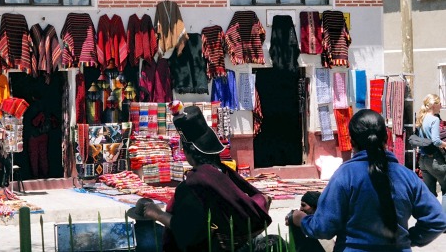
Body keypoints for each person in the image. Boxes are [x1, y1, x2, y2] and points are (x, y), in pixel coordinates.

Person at [290, 109, 446, 251]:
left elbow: (323, 228)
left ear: (352, 142)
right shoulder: (407, 176)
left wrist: (301, 219)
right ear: (387, 138)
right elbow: (437, 220)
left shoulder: (345, 175)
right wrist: (407, 240)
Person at [143, 102, 273, 252]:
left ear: (187, 152)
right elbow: (259, 198)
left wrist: (156, 213)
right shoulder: (224, 172)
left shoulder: (195, 184)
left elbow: (188, 231)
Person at [416, 94, 446, 211]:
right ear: (434, 105)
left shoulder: (422, 117)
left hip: (423, 160)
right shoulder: (434, 119)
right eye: (439, 103)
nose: (441, 105)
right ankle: (444, 222)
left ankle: (431, 221)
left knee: (430, 193)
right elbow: (436, 141)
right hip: (435, 160)